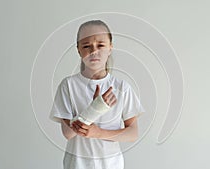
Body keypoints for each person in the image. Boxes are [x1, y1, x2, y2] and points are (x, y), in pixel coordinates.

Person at [50, 20, 145, 169]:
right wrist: (93, 111)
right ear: (79, 50)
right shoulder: (68, 85)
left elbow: (132, 133)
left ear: (110, 48)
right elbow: (68, 133)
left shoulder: (122, 88)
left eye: (100, 45)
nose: (94, 51)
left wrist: (99, 133)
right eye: (86, 46)